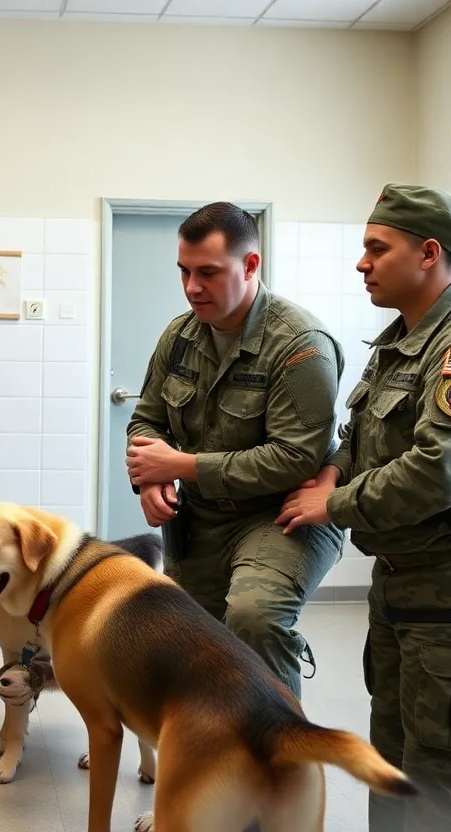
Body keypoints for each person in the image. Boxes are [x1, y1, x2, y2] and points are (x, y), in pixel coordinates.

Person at [277, 184, 451, 832]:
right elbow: (364, 436)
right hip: (403, 584)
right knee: (393, 760)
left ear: (428, 253)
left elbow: (437, 470)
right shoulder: (400, 344)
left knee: (440, 774)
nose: (362, 263)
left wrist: (331, 502)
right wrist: (337, 464)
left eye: (376, 248)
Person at [124, 201, 345, 701]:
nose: (192, 287)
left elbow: (295, 458)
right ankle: (210, 754)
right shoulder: (179, 337)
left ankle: (276, 762)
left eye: (208, 273)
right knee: (191, 636)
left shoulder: (300, 344)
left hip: (282, 514)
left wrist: (181, 466)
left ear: (250, 265)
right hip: (203, 521)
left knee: (254, 617)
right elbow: (147, 419)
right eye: (184, 272)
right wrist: (150, 479)